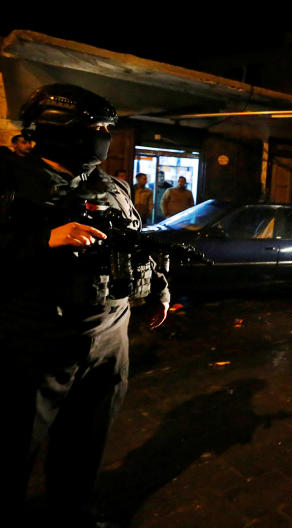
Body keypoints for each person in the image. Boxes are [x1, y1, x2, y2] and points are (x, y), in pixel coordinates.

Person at [0, 84, 169, 527]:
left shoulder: (110, 186)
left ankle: (72, 513)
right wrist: (45, 239)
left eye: (107, 128)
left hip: (110, 335)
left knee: (87, 439)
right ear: (62, 131)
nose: (105, 136)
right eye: (98, 128)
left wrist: (157, 290)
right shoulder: (10, 181)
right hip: (37, 339)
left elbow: (136, 244)